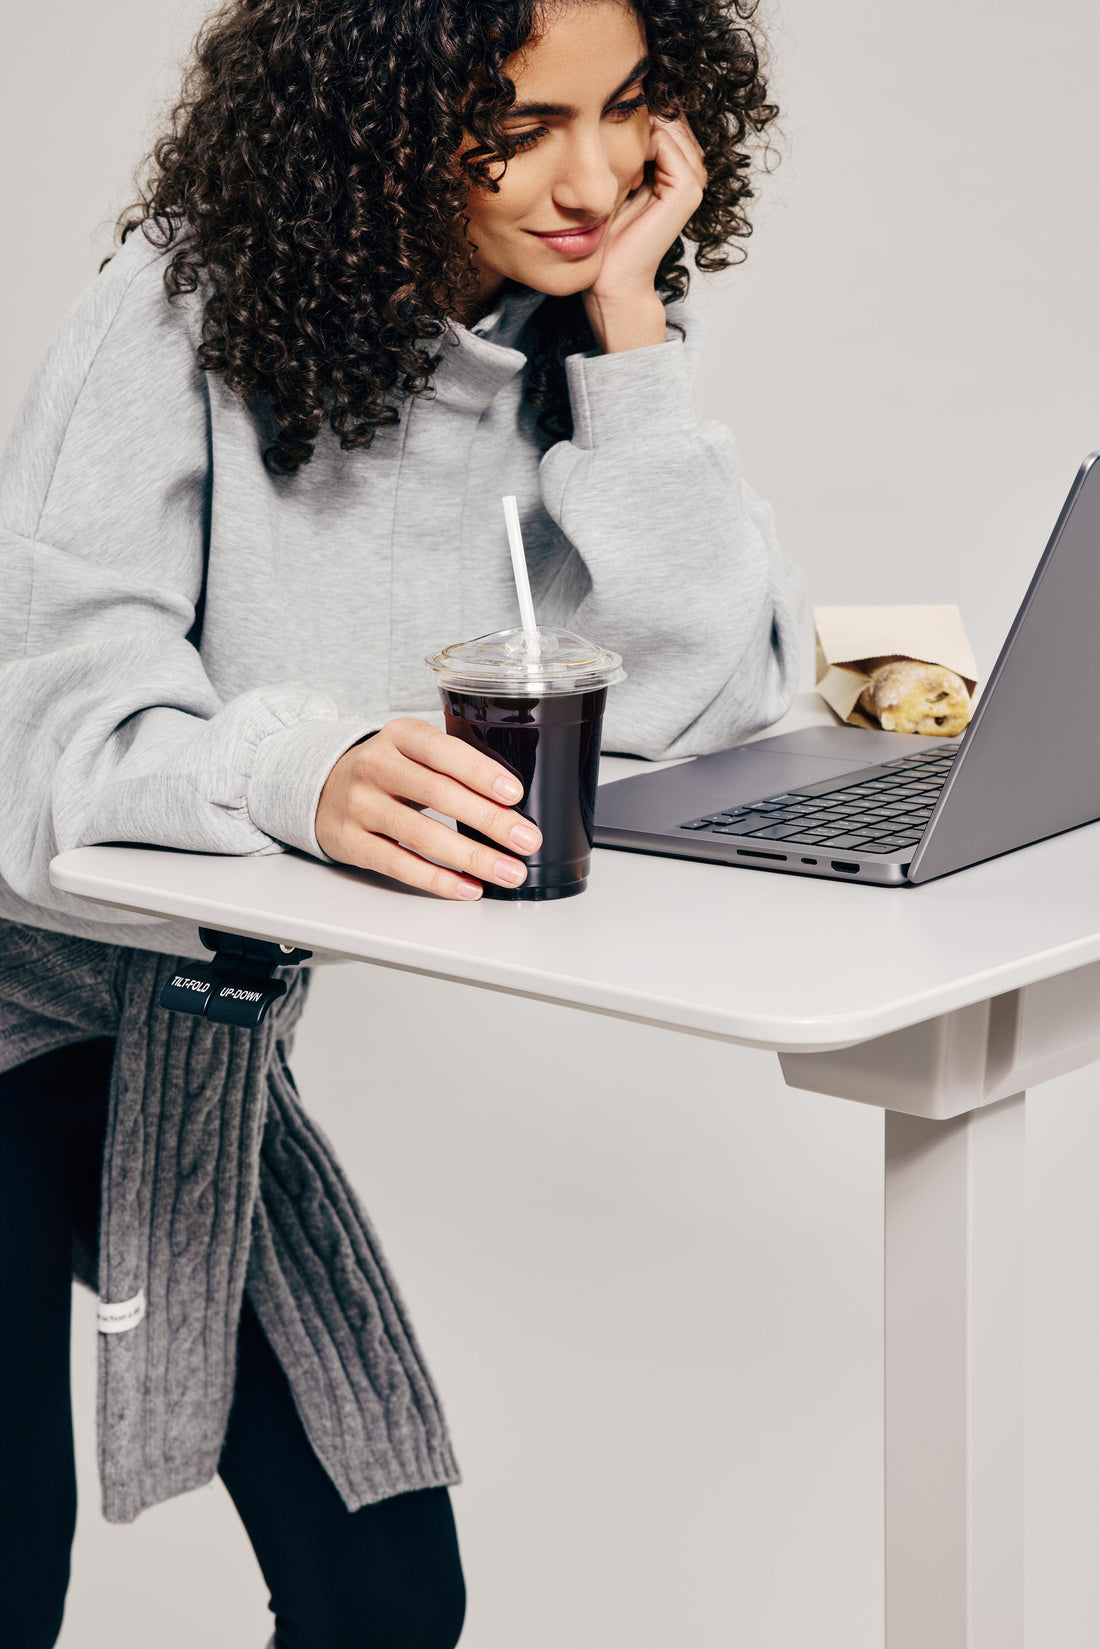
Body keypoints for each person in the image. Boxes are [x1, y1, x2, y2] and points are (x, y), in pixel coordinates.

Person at [0, 0, 800, 1644]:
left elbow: (710, 700)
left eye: (629, 109)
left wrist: (638, 346)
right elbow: (45, 736)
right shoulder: (177, 317)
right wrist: (299, 767)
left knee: (380, 1592)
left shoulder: (572, 356)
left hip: (186, 1031)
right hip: (16, 995)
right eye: (517, 124)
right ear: (378, 118)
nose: (589, 176)